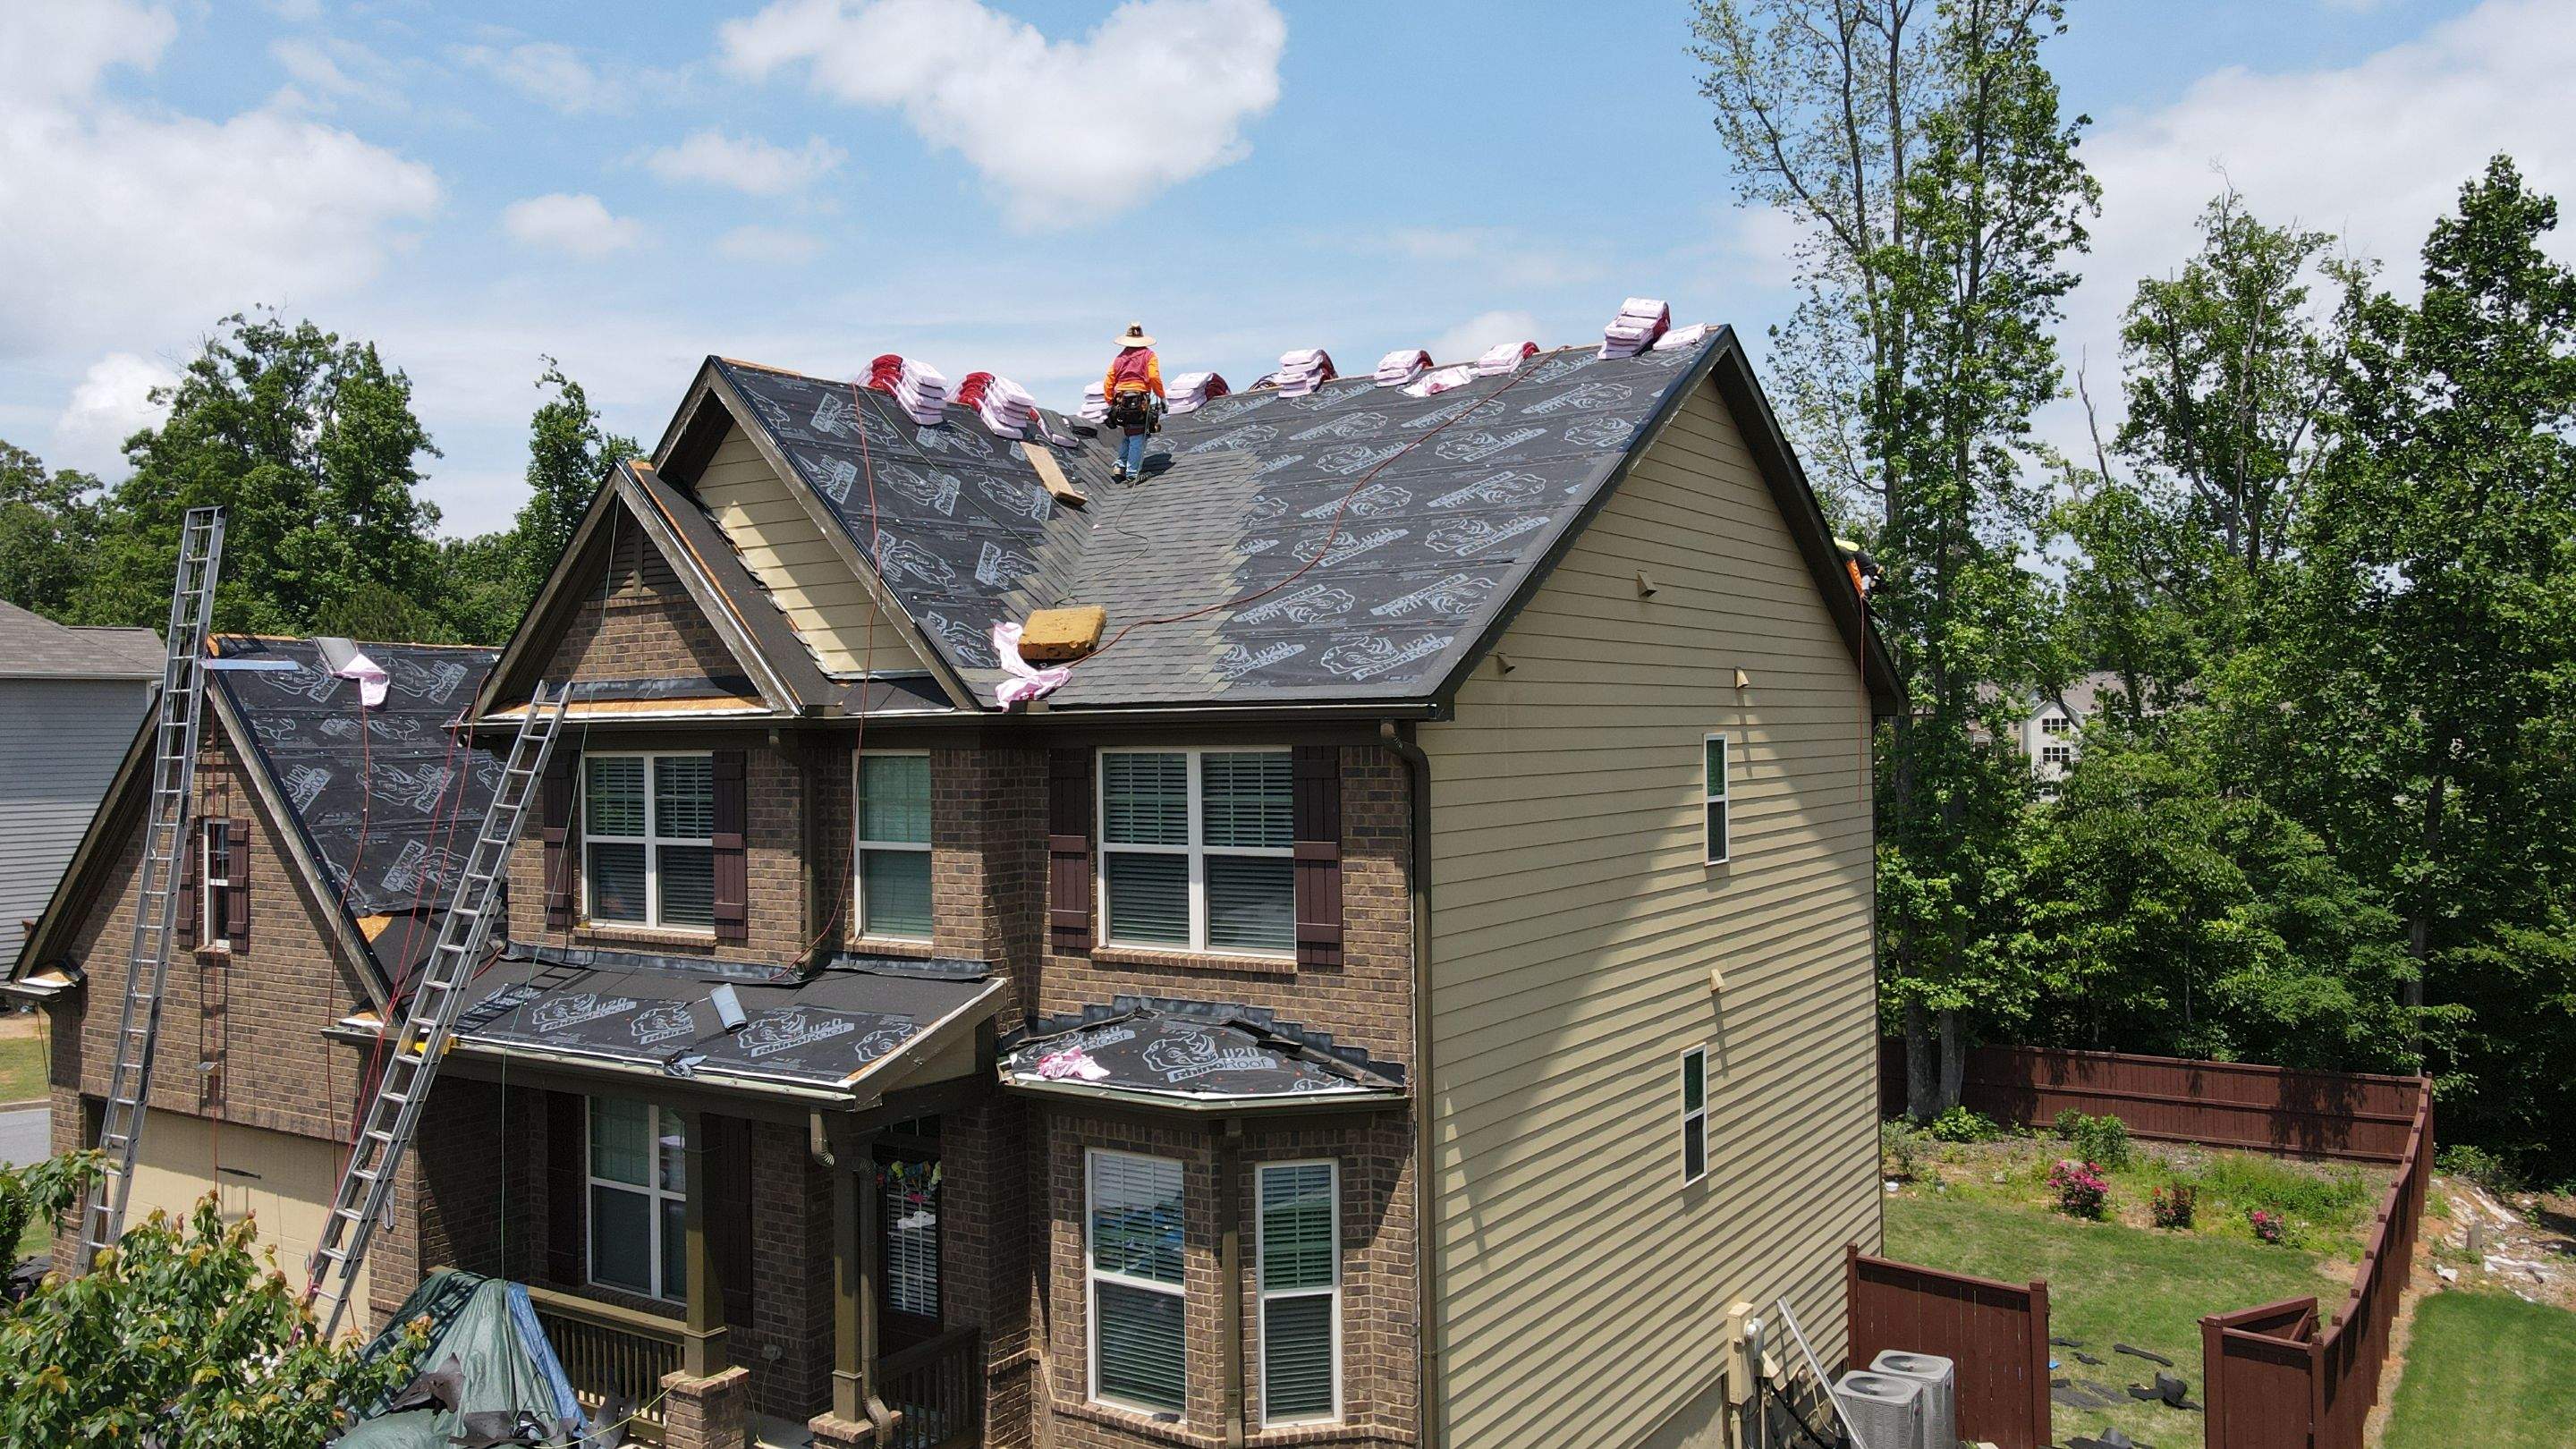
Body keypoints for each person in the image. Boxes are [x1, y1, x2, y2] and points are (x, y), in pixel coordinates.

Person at [1103, 322, 1165, 480]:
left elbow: (1109, 380)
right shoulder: (1149, 355)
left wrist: (1110, 401)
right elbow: (1153, 377)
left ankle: (1120, 465)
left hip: (1121, 400)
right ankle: (1132, 474)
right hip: (1139, 401)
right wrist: (1162, 396)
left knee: (1129, 433)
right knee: (1138, 436)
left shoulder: (1119, 359)